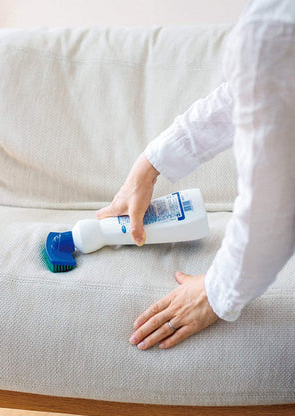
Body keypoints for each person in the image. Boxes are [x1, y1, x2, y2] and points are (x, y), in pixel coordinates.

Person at [97, 0, 295, 350]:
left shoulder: (273, 27)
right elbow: (251, 92)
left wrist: (215, 293)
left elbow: (273, 203)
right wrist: (149, 165)